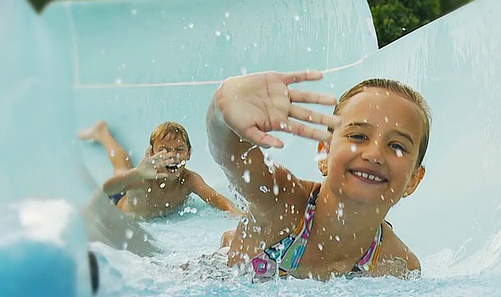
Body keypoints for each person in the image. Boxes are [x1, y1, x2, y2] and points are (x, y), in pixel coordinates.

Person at [207, 71, 430, 281]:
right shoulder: (283, 204)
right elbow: (232, 156)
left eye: (397, 146)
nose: (374, 155)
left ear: (413, 180)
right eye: (358, 136)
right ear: (324, 153)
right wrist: (222, 107)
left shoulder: (398, 264)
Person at [79, 121, 241, 219]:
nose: (173, 156)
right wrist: (138, 173)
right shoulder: (142, 178)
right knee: (122, 168)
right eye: (164, 150)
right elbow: (107, 189)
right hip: (123, 204)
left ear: (189, 153)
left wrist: (239, 215)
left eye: (179, 149)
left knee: (124, 167)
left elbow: (217, 200)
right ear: (152, 153)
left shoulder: (189, 180)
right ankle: (102, 133)